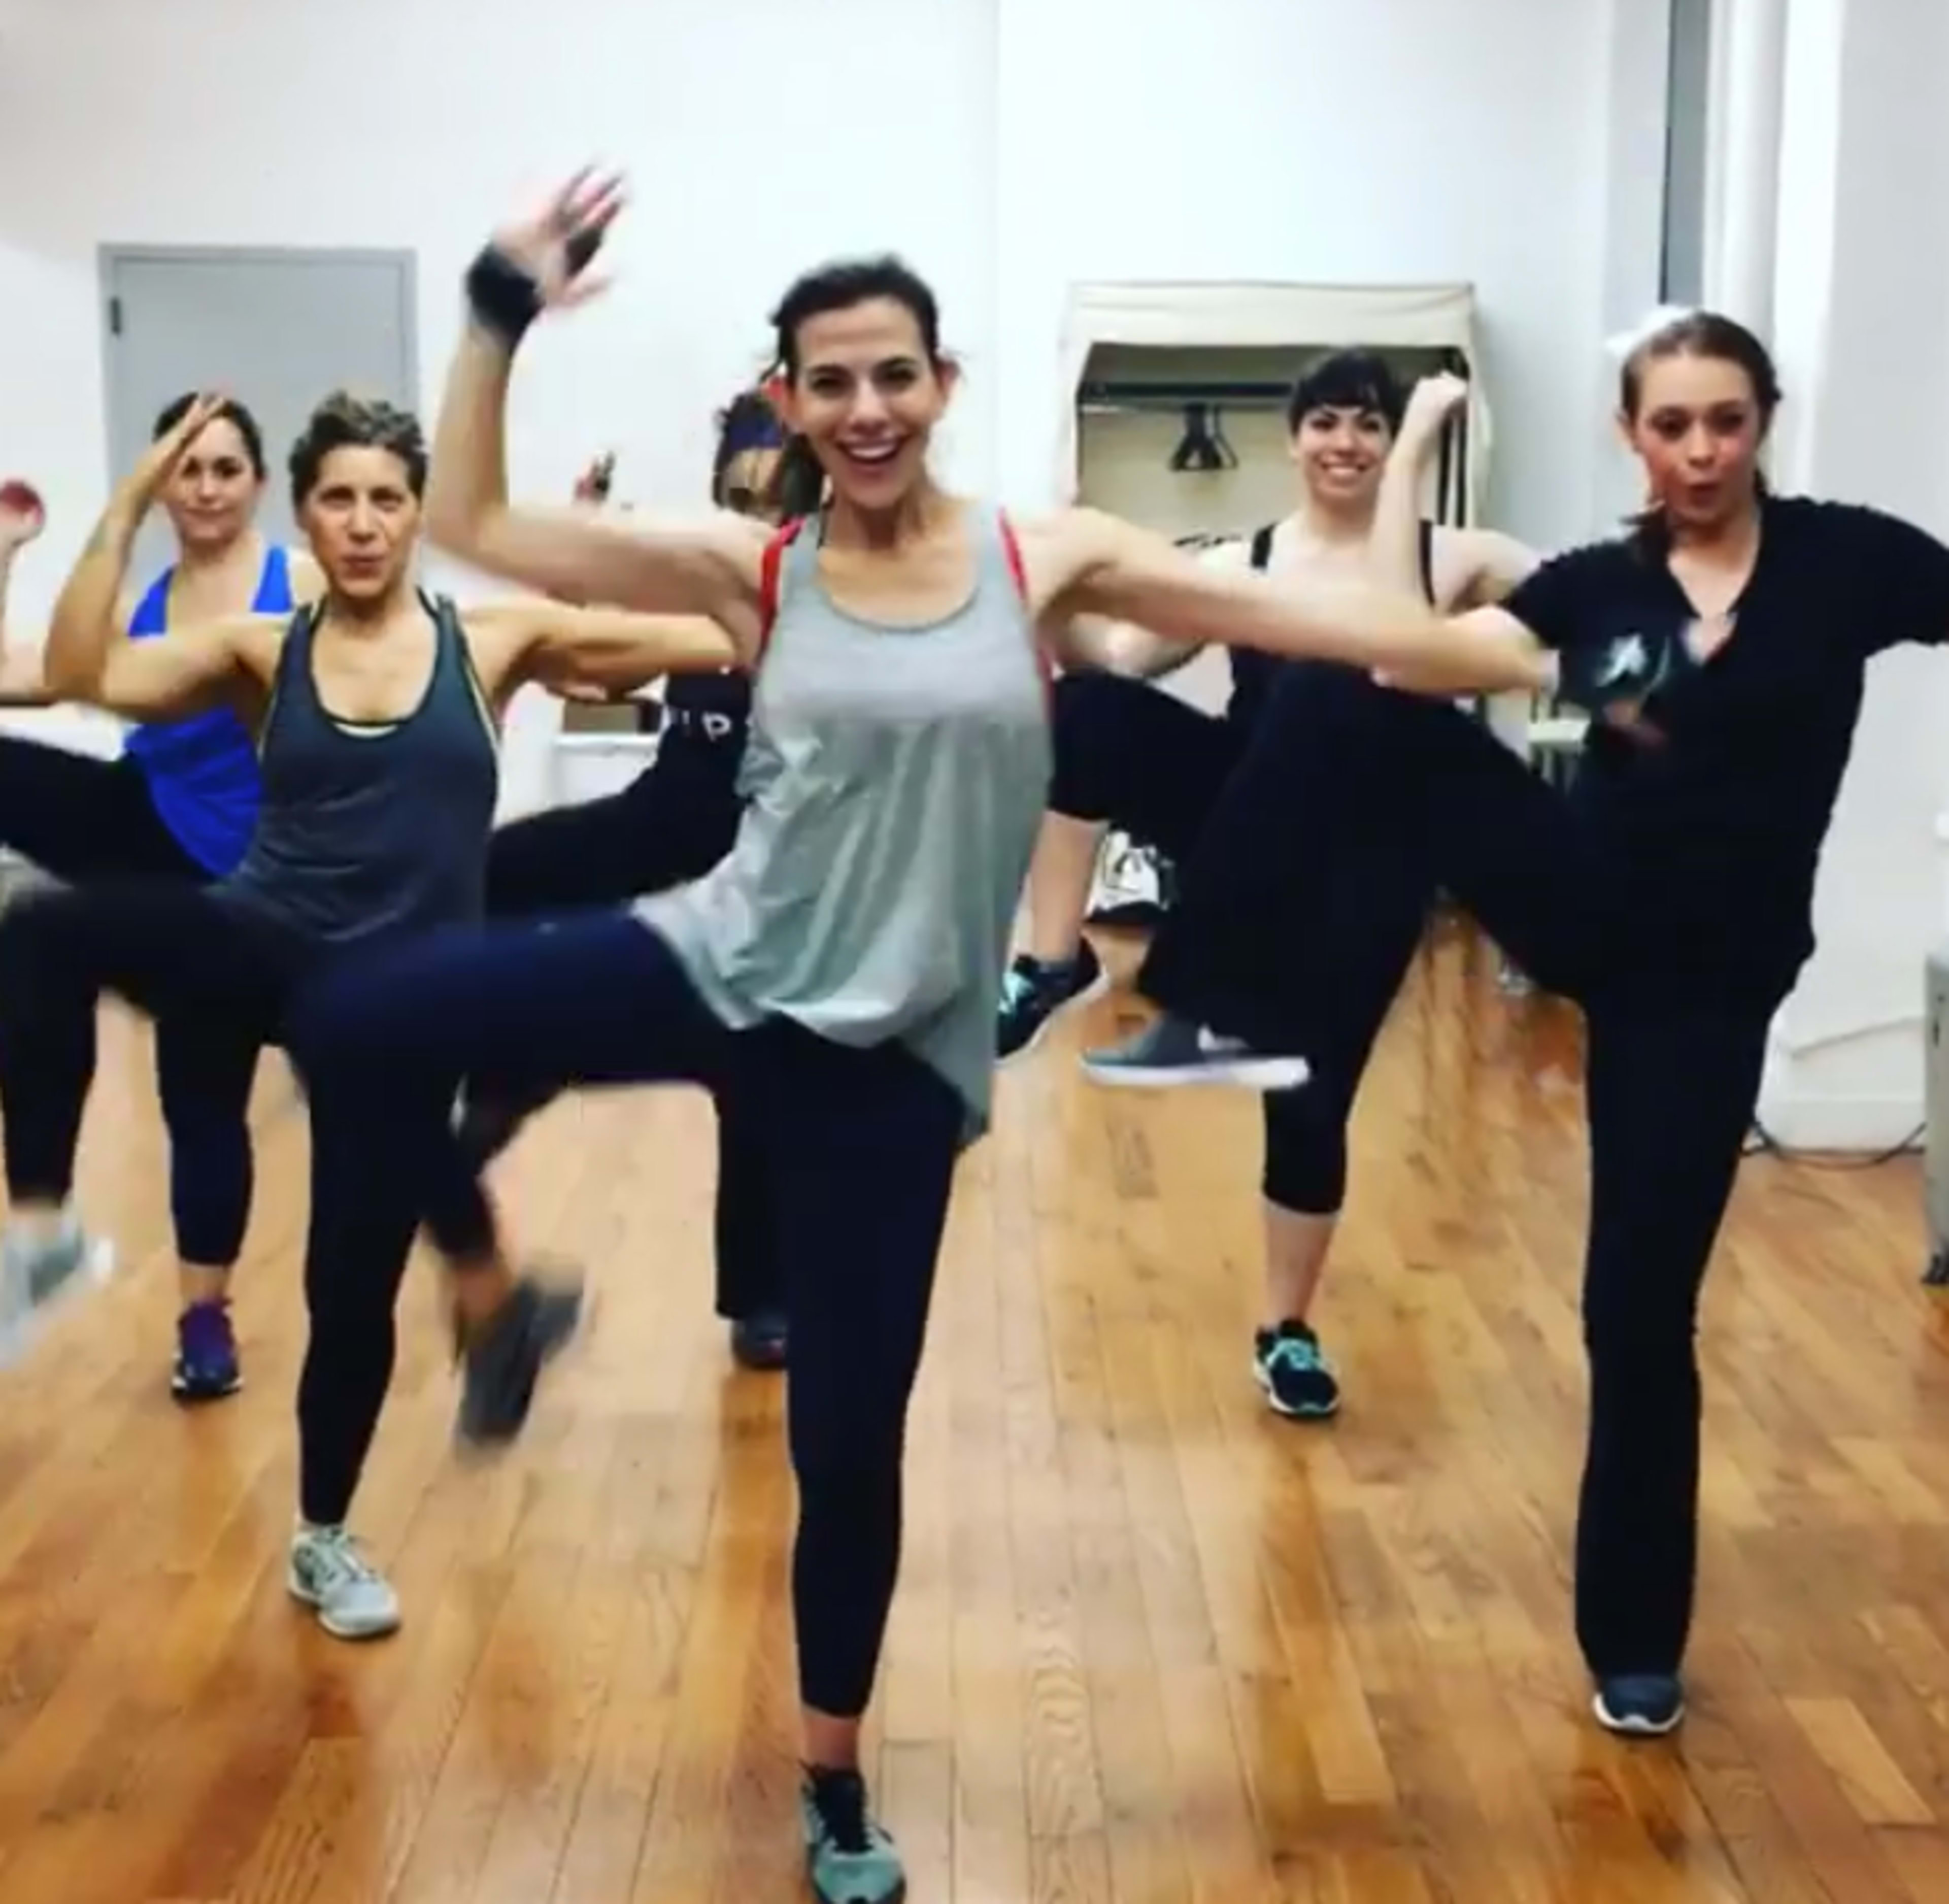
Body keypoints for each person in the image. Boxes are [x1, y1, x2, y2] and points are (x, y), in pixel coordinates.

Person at [276, 169, 1546, 1904]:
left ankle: (834, 1777)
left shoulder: (1048, 559)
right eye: (829, 381)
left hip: (892, 1064)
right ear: (791, 402)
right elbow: (480, 522)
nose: (863, 408)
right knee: (352, 1011)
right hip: (720, 968)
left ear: (940, 385)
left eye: (893, 375)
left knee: (846, 1443)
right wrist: (497, 308)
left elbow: (1329, 622)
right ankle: (496, 1289)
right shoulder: (758, 566)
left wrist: (1582, 643)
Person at [1081, 309, 1949, 1741]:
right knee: (1356, 693)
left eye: (1725, 421)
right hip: (1584, 898)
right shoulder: (1599, 583)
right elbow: (1413, 653)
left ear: (1764, 421)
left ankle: (1634, 1646)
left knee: (1635, 1307)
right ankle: (1223, 1001)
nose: (1700, 450)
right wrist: (1403, 469)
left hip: (1711, 980)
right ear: (1634, 435)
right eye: (1671, 425)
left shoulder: (1850, 563)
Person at [0, 387, 741, 1381]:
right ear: (304, 506)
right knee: (57, 938)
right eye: (338, 498)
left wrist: (806, 593)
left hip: (377, 933)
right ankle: (56, 1238)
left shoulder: (426, 622)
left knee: (359, 1157)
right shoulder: (231, 637)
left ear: (413, 512)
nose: (360, 523)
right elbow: (74, 670)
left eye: (385, 499)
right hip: (251, 902)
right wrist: (116, 505)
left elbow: (709, 639)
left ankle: (487, 1309)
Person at [1002, 357, 1535, 1421]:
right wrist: (1048, 589)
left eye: (1371, 425)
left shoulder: (1457, 556)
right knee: (1095, 714)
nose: (1347, 441)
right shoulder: (1242, 563)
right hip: (1240, 826)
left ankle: (1285, 1329)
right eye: (1326, 421)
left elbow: (1563, 602)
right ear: (1293, 440)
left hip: (1367, 861)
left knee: (1309, 1099)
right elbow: (1116, 658)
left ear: (1395, 444)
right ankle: (1053, 960)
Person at [476, 383, 825, 1370]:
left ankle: (763, 1297)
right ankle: (507, 1062)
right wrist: (580, 545)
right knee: (499, 867)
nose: (756, 517)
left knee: (750, 1068)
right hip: (668, 817)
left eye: (776, 498)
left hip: (765, 860)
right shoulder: (695, 582)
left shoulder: (831, 591)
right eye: (739, 496)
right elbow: (588, 676)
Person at [0, 396, 323, 1399]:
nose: (208, 486)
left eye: (227, 467)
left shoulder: (298, 581)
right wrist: (9, 551)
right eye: (186, 469)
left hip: (238, 868)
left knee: (200, 1096)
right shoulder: (147, 594)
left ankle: (204, 1318)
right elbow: (39, 674)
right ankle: (42, 1220)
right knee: (36, 942)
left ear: (259, 484)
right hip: (142, 821)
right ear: (159, 484)